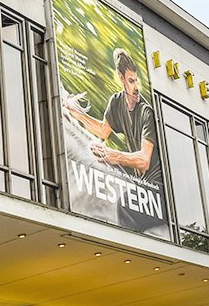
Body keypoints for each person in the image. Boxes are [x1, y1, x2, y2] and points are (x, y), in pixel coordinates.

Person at [64, 48, 166, 232]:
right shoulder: (116, 102)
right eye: (131, 81)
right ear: (121, 78)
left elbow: (143, 161)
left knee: (125, 207)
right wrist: (78, 115)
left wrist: (114, 156)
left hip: (158, 191)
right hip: (141, 185)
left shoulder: (146, 112)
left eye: (136, 81)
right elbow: (103, 132)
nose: (136, 87)